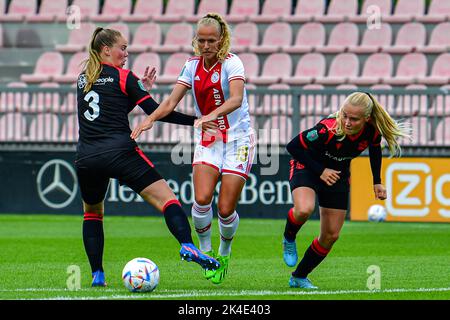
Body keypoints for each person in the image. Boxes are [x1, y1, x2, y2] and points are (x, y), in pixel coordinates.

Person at [76, 27, 219, 287]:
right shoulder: (124, 77)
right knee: (168, 200)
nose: (126, 53)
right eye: (123, 47)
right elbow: (158, 112)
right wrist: (197, 121)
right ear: (106, 49)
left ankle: (97, 274)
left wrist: (137, 90)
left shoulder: (83, 78)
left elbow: (106, 110)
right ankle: (187, 245)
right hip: (120, 151)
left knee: (92, 214)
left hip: (87, 157)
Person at [131, 13, 256, 285]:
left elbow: (236, 99)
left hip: (237, 139)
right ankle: (206, 253)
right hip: (210, 138)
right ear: (195, 41)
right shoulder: (191, 66)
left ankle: (224, 253)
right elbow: (170, 102)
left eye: (212, 40)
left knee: (224, 208)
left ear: (221, 40)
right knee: (201, 199)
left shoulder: (233, 63)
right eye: (201, 40)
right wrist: (149, 119)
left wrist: (209, 116)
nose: (206, 45)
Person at [282, 92, 410, 289]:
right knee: (304, 209)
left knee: (331, 235)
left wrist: (377, 181)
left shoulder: (372, 130)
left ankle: (299, 277)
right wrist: (321, 170)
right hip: (308, 166)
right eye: (344, 115)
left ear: (366, 119)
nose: (347, 122)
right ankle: (289, 237)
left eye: (354, 119)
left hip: (338, 174)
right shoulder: (328, 128)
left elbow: (375, 149)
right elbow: (293, 146)